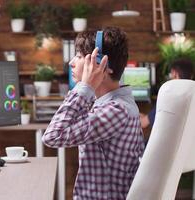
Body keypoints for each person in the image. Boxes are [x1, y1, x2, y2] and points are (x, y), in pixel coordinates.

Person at [42, 27, 145, 199]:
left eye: (80, 56)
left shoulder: (116, 111)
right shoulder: (111, 103)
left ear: (102, 65)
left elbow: (52, 136)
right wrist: (87, 89)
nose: (71, 62)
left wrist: (85, 86)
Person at [140, 58, 194, 128]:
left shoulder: (168, 98)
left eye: (170, 73)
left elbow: (143, 123)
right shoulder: (191, 96)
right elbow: (152, 118)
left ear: (174, 74)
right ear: (191, 75)